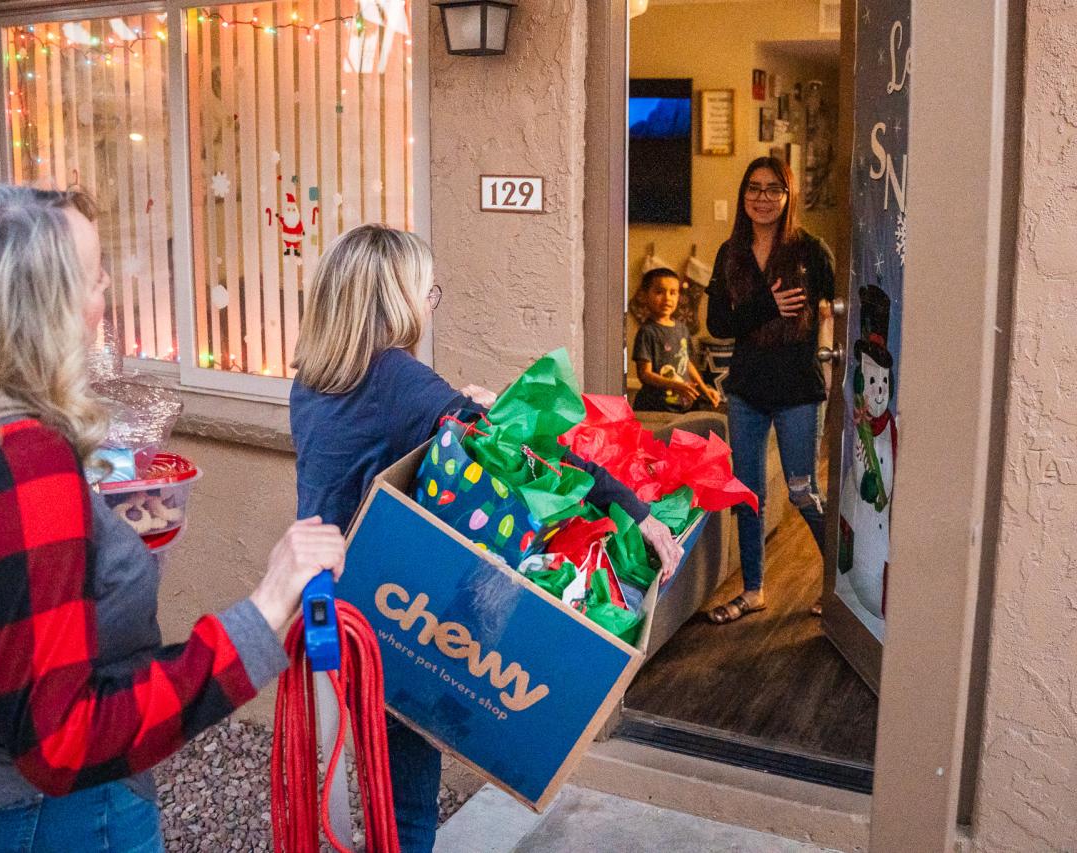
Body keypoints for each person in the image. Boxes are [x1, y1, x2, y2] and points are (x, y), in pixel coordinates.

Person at [0, 185, 346, 852]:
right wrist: (264, 611)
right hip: (22, 812)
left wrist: (91, 537)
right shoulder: (18, 462)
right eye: (92, 279)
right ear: (36, 313)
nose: (106, 295)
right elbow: (63, 741)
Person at [288, 223, 685, 853]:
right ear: (396, 296)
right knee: (408, 809)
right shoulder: (394, 377)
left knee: (356, 788)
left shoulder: (313, 379)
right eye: (426, 290)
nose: (428, 305)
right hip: (384, 615)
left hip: (325, 603)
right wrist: (636, 510)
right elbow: (527, 452)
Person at [703, 157, 835, 625]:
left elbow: (835, 309)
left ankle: (839, 587)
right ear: (744, 196)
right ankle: (754, 590)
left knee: (803, 491)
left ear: (788, 196)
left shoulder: (811, 251)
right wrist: (767, 305)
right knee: (748, 494)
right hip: (747, 389)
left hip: (798, 387)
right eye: (754, 188)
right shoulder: (730, 253)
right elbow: (718, 324)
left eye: (773, 189)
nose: (762, 197)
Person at [631, 267, 721, 412]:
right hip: (656, 407)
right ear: (645, 295)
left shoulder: (682, 329)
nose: (667, 298)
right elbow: (644, 374)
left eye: (673, 293)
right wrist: (676, 385)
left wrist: (704, 389)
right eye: (659, 292)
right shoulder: (647, 332)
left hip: (684, 406)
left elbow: (687, 363)